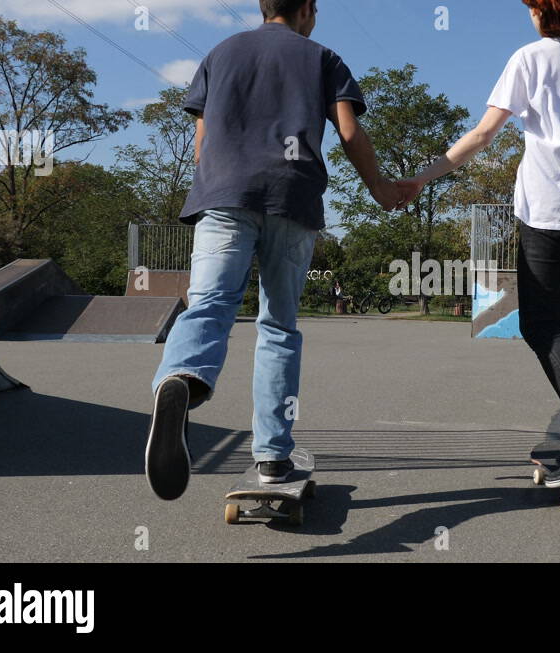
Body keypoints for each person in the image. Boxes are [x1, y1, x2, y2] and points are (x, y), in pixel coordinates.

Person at [145, 0, 402, 501]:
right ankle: (271, 457)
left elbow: (202, 141)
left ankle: (180, 378)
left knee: (211, 305)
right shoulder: (322, 57)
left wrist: (217, 186)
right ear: (306, 8)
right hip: (292, 197)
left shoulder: (220, 53)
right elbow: (349, 131)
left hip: (224, 196)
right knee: (278, 326)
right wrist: (381, 189)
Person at [397, 0, 560, 488]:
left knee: (539, 326)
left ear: (540, 11)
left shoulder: (530, 58)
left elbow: (485, 133)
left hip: (551, 210)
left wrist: (422, 178)